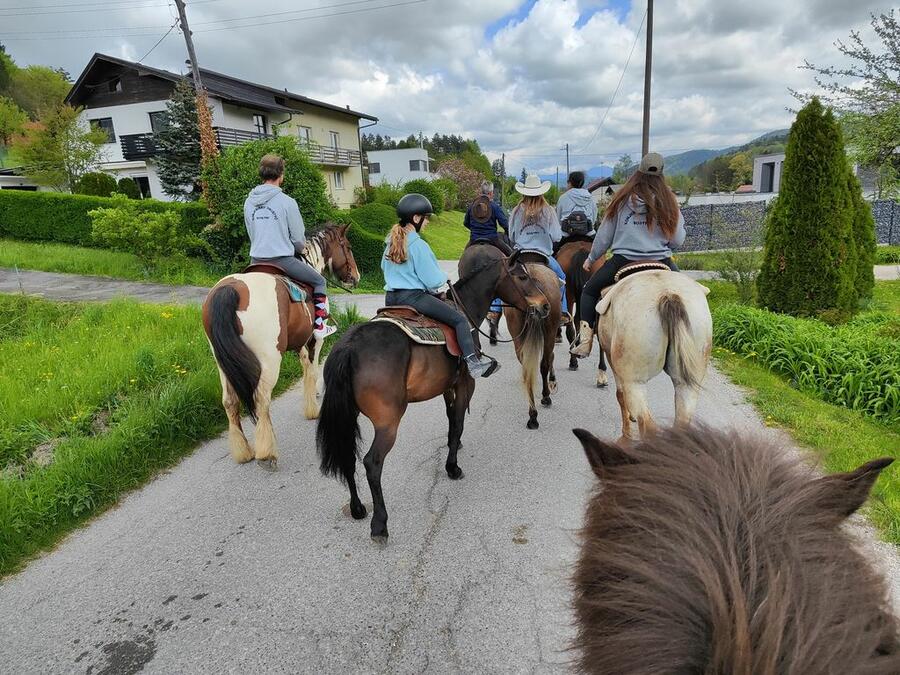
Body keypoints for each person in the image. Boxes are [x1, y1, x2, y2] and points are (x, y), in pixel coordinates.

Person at [570, 152, 686, 358]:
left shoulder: (622, 199)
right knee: (687, 294)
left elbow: (604, 236)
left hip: (623, 261)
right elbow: (677, 240)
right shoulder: (669, 201)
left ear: (638, 172)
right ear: (661, 174)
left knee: (588, 291)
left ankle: (585, 342)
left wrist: (591, 259)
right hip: (661, 260)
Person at [382, 193, 499, 379]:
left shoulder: (390, 242)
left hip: (391, 298)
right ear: (416, 218)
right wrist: (444, 277)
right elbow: (433, 281)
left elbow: (385, 269)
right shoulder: (418, 245)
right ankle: (473, 363)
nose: (427, 222)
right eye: (426, 217)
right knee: (460, 320)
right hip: (414, 298)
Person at [245, 153, 336, 339]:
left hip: (255, 261)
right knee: (320, 281)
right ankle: (319, 327)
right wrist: (300, 248)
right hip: (282, 261)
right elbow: (298, 240)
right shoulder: (287, 202)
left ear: (261, 174)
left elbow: (251, 232)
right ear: (281, 175)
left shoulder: (248, 201)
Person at [505, 174, 572, 324]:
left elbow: (512, 236)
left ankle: (494, 309)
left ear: (524, 192)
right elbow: (556, 236)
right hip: (543, 256)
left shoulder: (516, 211)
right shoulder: (548, 210)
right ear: (541, 192)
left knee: (502, 278)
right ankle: (562, 312)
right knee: (561, 279)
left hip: (521, 256)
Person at [463, 181, 512, 254]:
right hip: (492, 239)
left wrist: (475, 229)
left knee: (463, 258)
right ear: (490, 193)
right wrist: (507, 233)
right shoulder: (494, 206)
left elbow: (466, 223)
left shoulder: (472, 206)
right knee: (511, 255)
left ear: (481, 191)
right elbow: (504, 223)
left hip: (474, 239)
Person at [555, 170, 599, 249]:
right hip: (588, 233)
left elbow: (558, 219)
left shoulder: (563, 197)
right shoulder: (590, 197)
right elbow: (594, 218)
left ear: (570, 182)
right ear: (582, 183)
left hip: (567, 234)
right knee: (601, 252)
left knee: (552, 253)